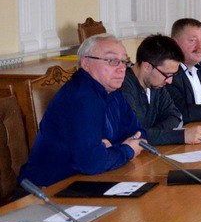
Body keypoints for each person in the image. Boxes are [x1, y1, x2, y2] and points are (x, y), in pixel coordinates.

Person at [18, 34, 144, 187]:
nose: (122, 68)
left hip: (87, 179)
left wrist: (110, 149)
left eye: (124, 61)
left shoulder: (112, 89)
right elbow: (92, 162)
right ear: (86, 63)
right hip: (48, 189)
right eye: (112, 61)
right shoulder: (81, 97)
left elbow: (138, 133)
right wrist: (127, 150)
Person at [121, 34, 201, 145]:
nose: (170, 81)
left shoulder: (155, 84)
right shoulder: (123, 87)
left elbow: (175, 116)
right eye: (167, 74)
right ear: (147, 67)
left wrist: (152, 134)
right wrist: (181, 136)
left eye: (173, 75)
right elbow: (133, 135)